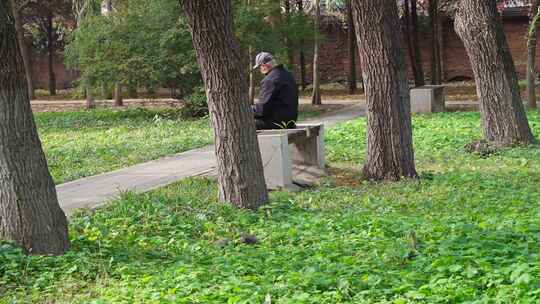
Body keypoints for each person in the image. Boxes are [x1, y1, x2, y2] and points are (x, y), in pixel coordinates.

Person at [251, 52, 299, 130]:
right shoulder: (288, 75)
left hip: (276, 122)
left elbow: (262, 110)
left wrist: (246, 110)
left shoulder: (269, 80)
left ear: (265, 65)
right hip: (290, 121)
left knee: (244, 123)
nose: (260, 69)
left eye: (260, 67)